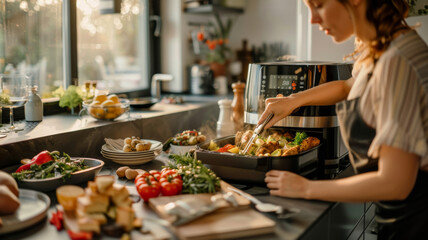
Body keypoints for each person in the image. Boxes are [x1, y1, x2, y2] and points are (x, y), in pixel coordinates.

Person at [258, 0, 428, 239]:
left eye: (319, 4)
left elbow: (396, 183)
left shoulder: (397, 61)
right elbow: (349, 86)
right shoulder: (382, 47)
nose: (313, 19)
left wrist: (306, 188)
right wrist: (293, 100)